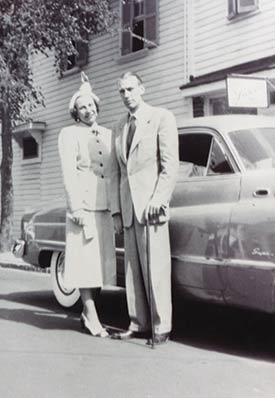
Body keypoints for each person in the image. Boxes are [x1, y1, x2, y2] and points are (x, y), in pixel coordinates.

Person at [110, 72, 179, 344]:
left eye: (130, 89)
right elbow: (117, 173)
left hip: (152, 208)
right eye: (122, 91)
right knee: (132, 270)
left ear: (142, 88)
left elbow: (169, 166)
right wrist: (116, 211)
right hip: (128, 208)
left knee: (156, 268)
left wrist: (158, 198)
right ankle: (138, 322)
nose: (126, 95)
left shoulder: (162, 118)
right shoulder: (118, 127)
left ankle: (162, 326)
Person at [58, 72, 116, 337]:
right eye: (82, 107)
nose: (88, 110)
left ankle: (87, 312)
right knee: (84, 260)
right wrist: (76, 207)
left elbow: (114, 172)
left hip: (103, 205)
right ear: (76, 112)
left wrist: (115, 208)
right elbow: (69, 173)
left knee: (100, 262)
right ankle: (91, 315)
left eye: (91, 105)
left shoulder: (107, 133)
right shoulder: (68, 135)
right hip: (82, 206)